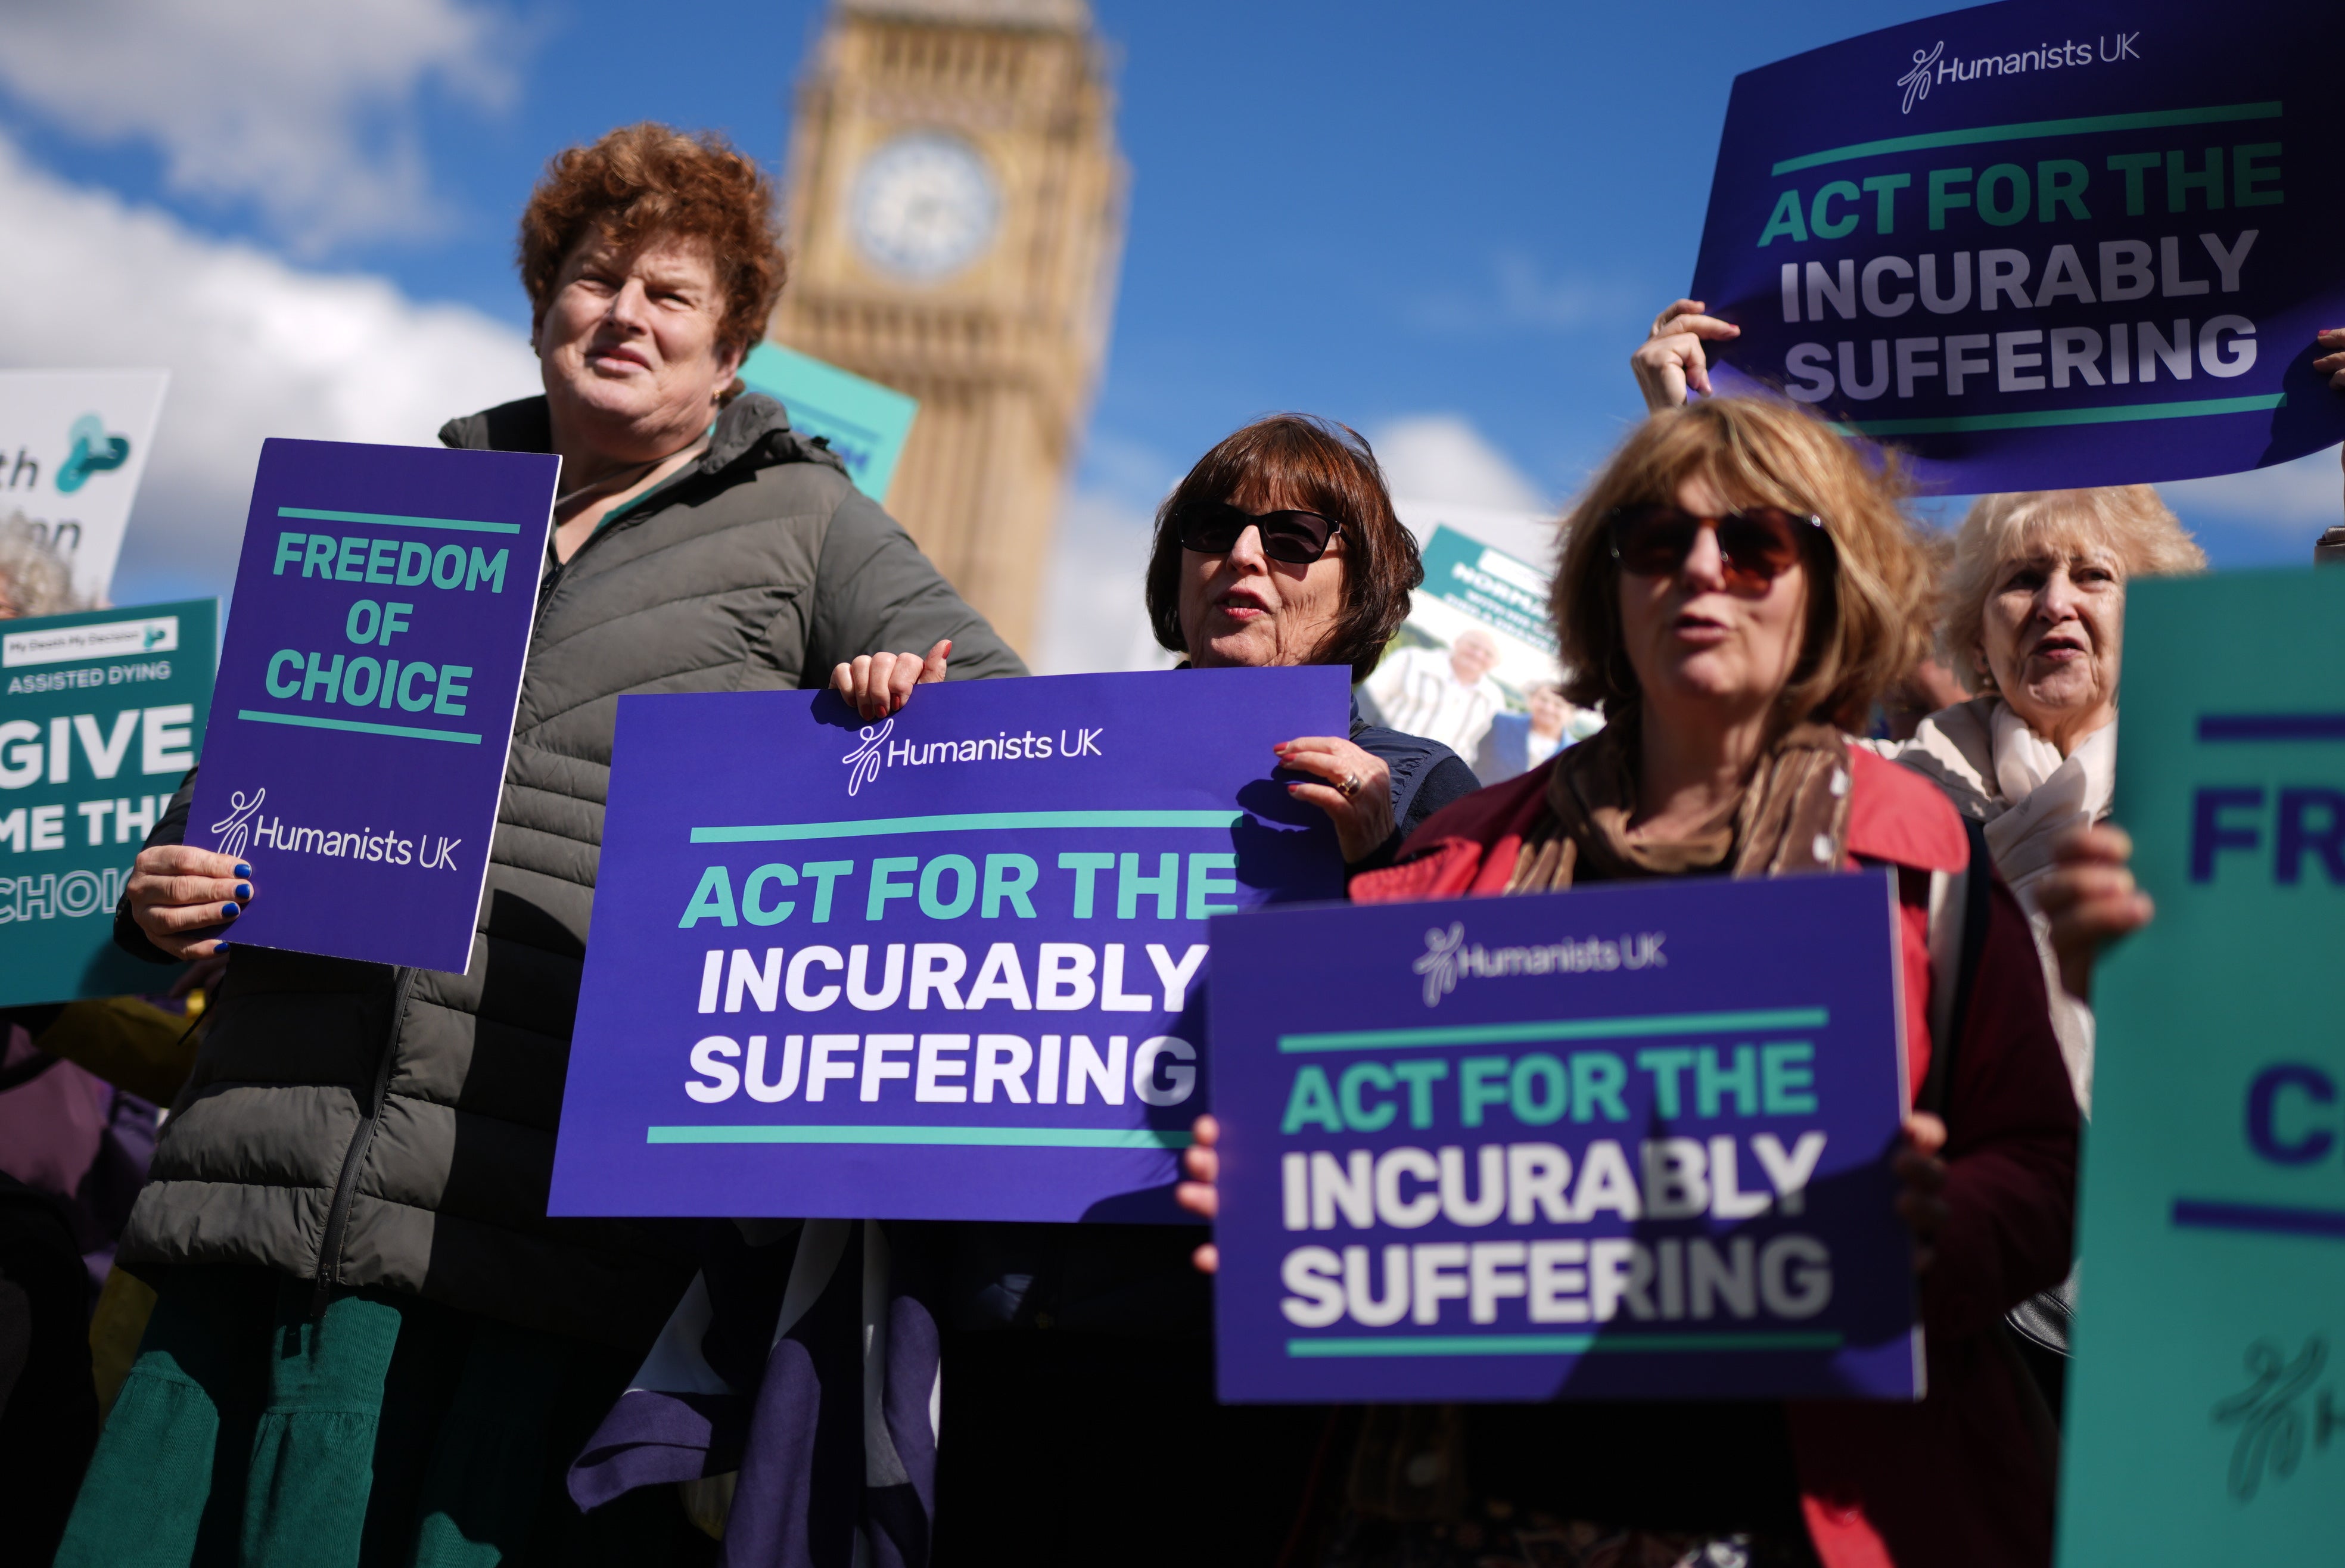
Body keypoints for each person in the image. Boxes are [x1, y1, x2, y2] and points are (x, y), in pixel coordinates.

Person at [63, 122, 1023, 1567]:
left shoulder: (807, 522)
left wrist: (897, 709)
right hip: (263, 1189)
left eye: (671, 293)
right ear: (543, 304)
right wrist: (159, 891)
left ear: (731, 347)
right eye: (594, 277)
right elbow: (211, 814)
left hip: (527, 1228)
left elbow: (1001, 728)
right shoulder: (406, 511)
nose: (623, 313)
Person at [1181, 396, 2080, 1568]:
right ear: (1612, 588)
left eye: (1755, 545)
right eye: (1658, 545)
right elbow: (1347, 1122)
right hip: (1470, 1518)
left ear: (1827, 584)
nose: (1703, 572)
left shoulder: (1925, 854)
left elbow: (2045, 1163)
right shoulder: (1463, 848)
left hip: (1802, 1507)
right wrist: (1268, 1182)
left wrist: (1937, 1229)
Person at [821, 413, 1479, 1564]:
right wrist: (883, 744)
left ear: (1361, 583)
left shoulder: (1422, 788)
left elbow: (1464, 1070)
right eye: (1213, 530)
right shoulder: (1040, 749)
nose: (1242, 559)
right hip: (1005, 1330)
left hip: (1234, 1359)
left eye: (1292, 537)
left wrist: (1380, 864)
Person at [1886, 488, 2204, 1110]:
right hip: (1955, 1190)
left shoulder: (2210, 804)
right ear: (1977, 639)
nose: (2056, 602)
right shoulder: (1891, 798)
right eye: (2025, 579)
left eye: (2093, 576)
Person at [1361, 626, 1504, 760]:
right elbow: (1367, 702)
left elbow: (1476, 746)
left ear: (1495, 664)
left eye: (1489, 654)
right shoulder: (1411, 660)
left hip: (1431, 778)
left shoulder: (1493, 699)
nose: (1478, 655)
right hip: (1376, 755)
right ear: (1457, 642)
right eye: (1473, 646)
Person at [1473, 680, 1600, 783]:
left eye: (1559, 705)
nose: (1549, 708)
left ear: (1571, 714)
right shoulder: (1501, 723)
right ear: (1531, 700)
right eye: (1544, 700)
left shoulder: (1575, 753)